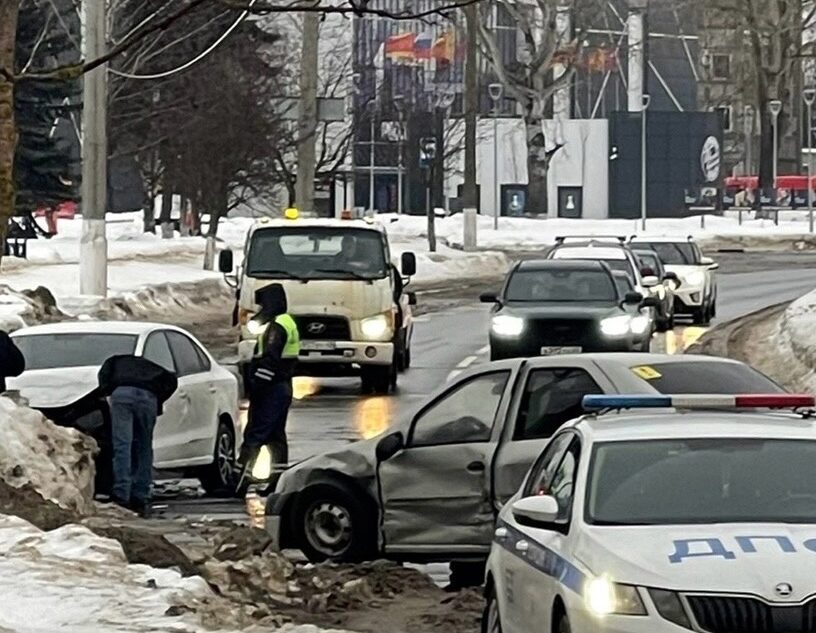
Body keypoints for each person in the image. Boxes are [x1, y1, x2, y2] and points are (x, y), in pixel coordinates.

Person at [98, 354, 177, 516]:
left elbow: (103, 379)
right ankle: (141, 493)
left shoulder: (112, 362)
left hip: (122, 395)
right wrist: (159, 399)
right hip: (148, 397)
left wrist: (106, 392)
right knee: (144, 446)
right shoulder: (152, 367)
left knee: (122, 445)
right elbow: (172, 381)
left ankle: (121, 493)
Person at [239, 283, 300, 482]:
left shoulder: (278, 326)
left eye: (262, 306)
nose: (260, 310)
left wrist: (256, 383)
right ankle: (278, 480)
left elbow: (271, 359)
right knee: (276, 437)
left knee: (256, 433)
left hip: (271, 388)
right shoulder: (286, 321)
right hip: (282, 386)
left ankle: (241, 480)